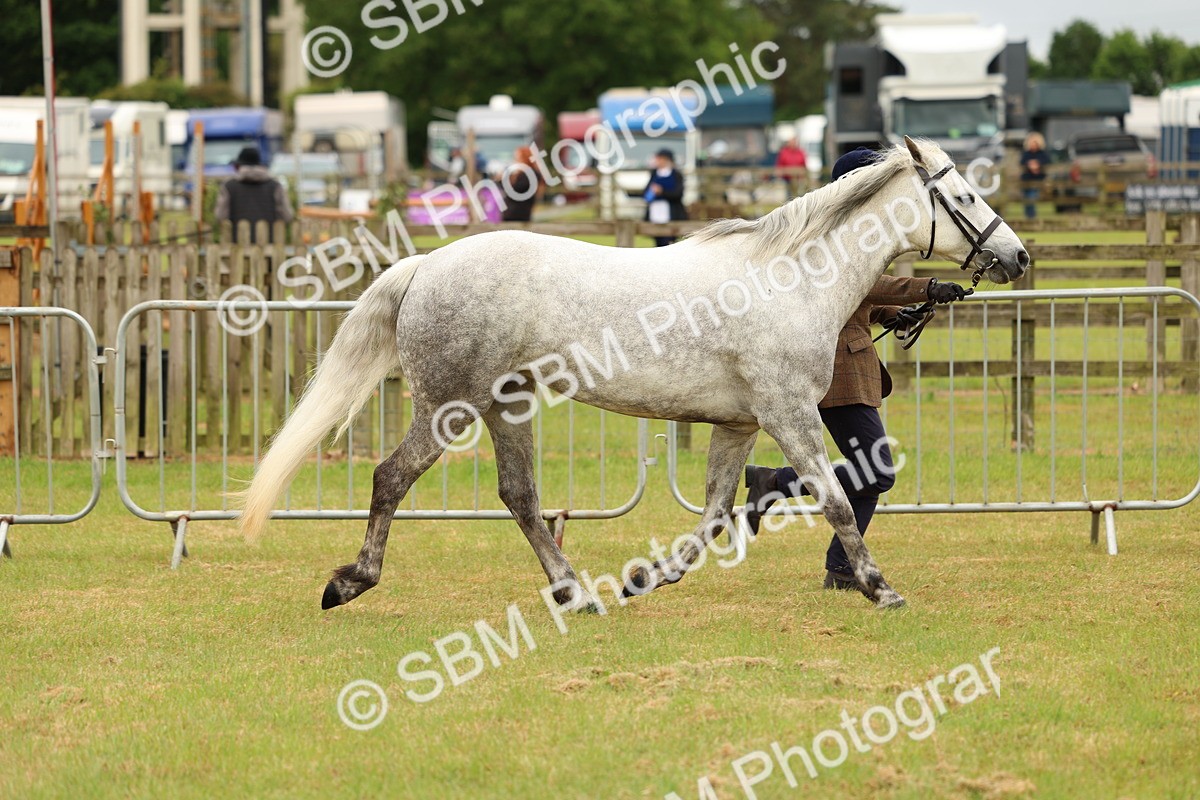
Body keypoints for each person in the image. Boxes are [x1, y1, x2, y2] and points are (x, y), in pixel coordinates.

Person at [741, 146, 967, 591]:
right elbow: (861, 281)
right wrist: (926, 286)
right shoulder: (833, 237)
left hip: (853, 362)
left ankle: (841, 568)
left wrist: (891, 314)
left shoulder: (844, 232)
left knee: (871, 475)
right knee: (877, 470)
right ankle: (777, 482)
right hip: (838, 368)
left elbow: (858, 297)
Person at [214, 147, 293, 243]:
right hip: (269, 245)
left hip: (237, 244)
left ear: (239, 166)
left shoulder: (229, 186)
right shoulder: (275, 186)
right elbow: (287, 216)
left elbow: (220, 216)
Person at [644, 149, 687, 246]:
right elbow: (646, 192)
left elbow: (678, 194)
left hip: (670, 213)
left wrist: (662, 192)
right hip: (655, 212)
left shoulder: (676, 174)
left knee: (669, 241)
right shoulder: (654, 173)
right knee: (657, 241)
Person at [500, 146, 540, 222]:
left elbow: (516, 190)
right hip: (511, 213)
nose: (515, 161)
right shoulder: (521, 174)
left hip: (519, 213)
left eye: (518, 158)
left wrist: (505, 179)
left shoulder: (530, 175)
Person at [1020, 132, 1050, 220]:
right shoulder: (1026, 154)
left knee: (1031, 196)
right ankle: (1029, 216)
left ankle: (1031, 216)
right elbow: (1022, 163)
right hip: (1027, 180)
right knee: (1027, 197)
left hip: (1038, 180)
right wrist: (1030, 165)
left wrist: (1038, 164)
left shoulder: (1042, 154)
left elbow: (1047, 162)